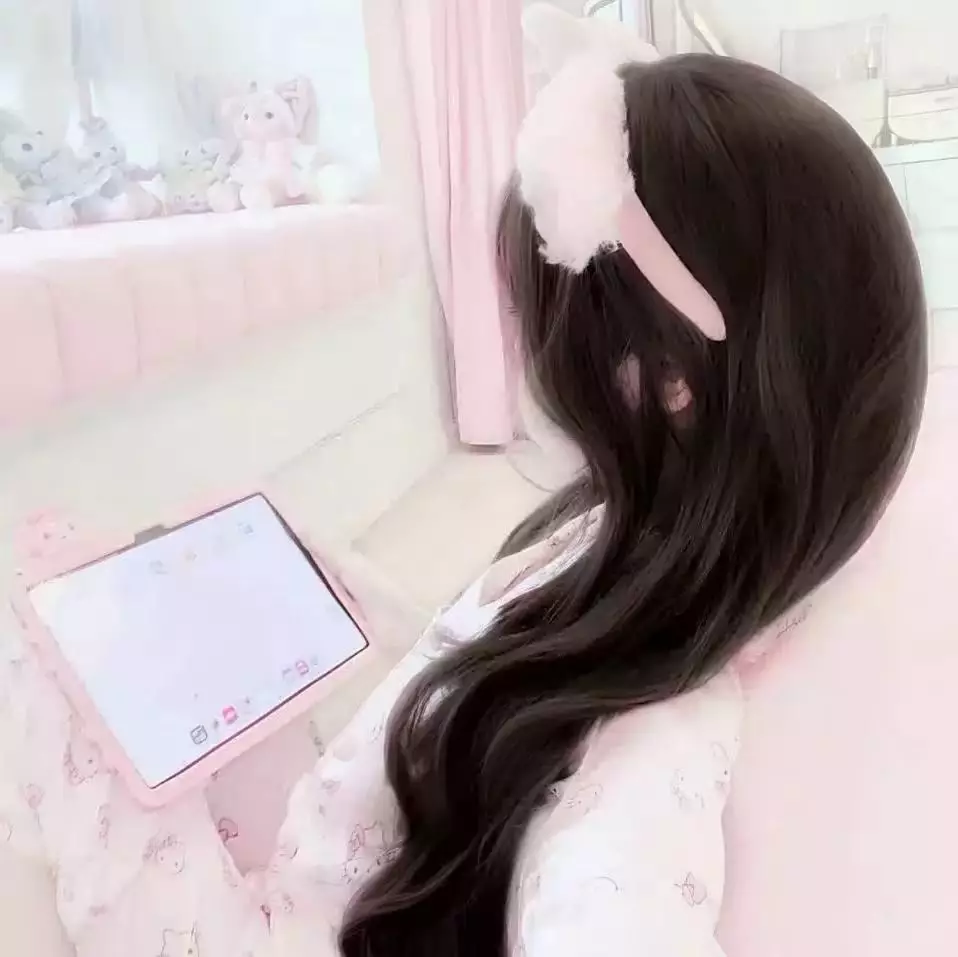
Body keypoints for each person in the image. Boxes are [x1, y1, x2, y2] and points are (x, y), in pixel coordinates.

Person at [0, 11, 926, 957]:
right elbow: (498, 636)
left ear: (666, 380)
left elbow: (616, 900)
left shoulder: (658, 727)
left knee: (42, 647)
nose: (530, 345)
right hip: (347, 838)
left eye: (545, 315)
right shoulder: (640, 522)